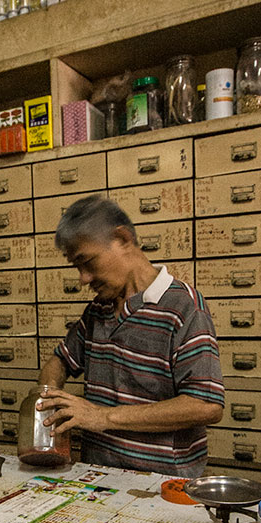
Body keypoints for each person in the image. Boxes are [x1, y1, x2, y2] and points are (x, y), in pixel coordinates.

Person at [37, 194, 224, 475]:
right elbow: (60, 361)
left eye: (87, 262)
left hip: (162, 485)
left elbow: (206, 405)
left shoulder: (184, 307)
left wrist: (102, 416)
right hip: (97, 476)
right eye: (77, 267)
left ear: (122, 239)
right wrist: (48, 400)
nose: (83, 278)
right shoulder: (99, 309)